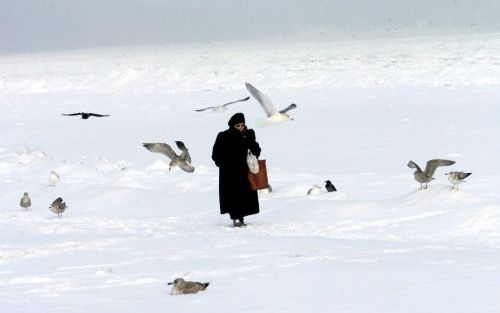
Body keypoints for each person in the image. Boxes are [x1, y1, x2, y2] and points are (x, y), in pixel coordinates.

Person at [212, 112, 261, 227]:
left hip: (245, 171)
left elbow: (256, 150)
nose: (240, 127)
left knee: (244, 195)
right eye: (237, 125)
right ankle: (236, 218)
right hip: (229, 172)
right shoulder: (223, 136)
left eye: (242, 125)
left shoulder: (248, 135)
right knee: (232, 195)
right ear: (232, 125)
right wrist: (223, 163)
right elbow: (216, 154)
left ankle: (241, 217)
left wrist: (252, 147)